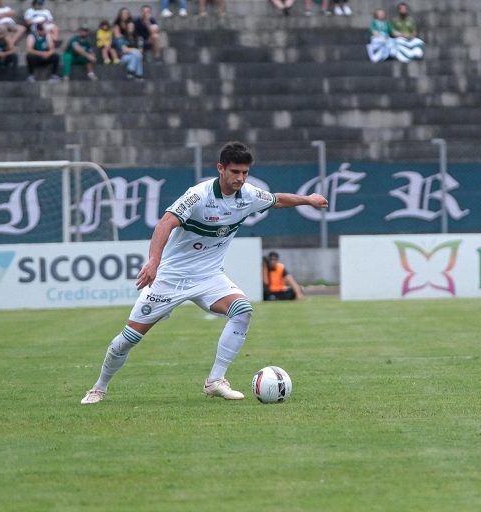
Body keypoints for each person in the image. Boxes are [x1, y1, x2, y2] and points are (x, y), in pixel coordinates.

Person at [80, 141, 329, 405]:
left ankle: (215, 381)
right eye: (235, 172)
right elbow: (165, 222)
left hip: (209, 277)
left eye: (245, 173)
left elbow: (278, 200)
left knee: (242, 310)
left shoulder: (249, 195)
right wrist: (153, 261)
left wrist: (308, 200)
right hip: (171, 278)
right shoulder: (198, 195)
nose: (240, 178)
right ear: (220, 169)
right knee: (128, 339)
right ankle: (99, 387)